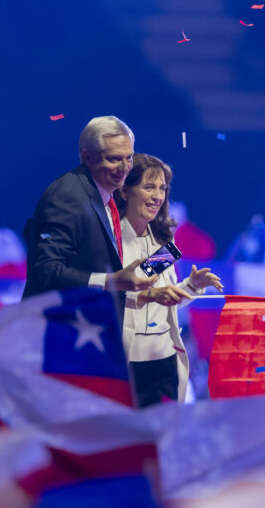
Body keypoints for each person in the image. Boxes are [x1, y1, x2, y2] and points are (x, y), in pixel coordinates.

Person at [22, 116, 157, 321]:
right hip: (60, 329)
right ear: (87, 157)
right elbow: (47, 271)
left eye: (129, 157)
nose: (125, 167)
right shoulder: (68, 196)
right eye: (114, 159)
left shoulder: (104, 194)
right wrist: (111, 281)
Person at [116, 153, 223, 406]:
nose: (157, 195)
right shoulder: (110, 235)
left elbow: (162, 301)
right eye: (149, 187)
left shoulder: (164, 248)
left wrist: (192, 287)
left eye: (162, 188)